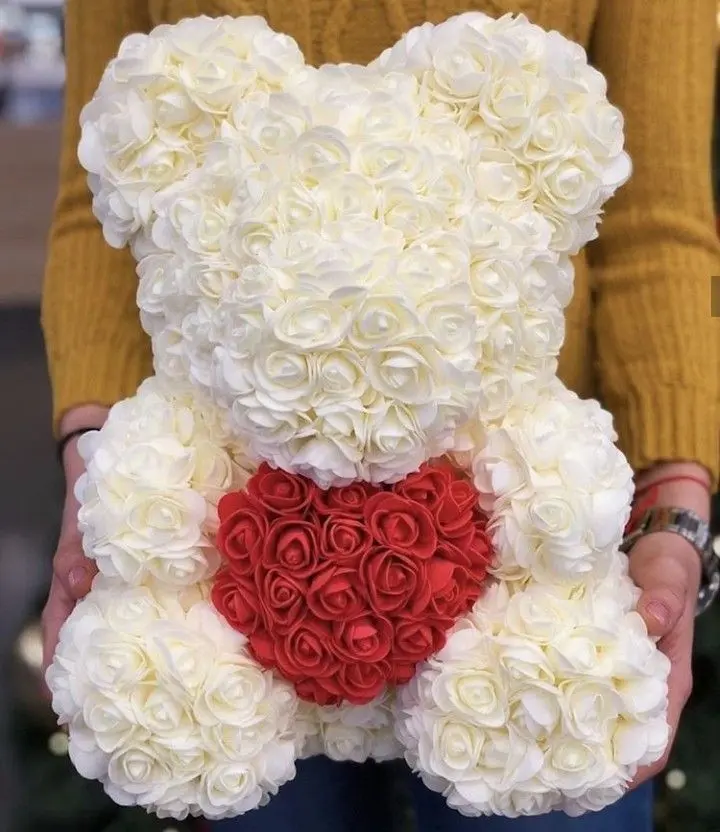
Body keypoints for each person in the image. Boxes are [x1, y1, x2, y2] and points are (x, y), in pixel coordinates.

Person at [41, 1, 720, 830]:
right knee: (216, 746)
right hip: (226, 542)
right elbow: (100, 206)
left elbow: (660, 222)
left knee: (552, 726)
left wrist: (674, 497)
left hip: (510, 552)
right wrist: (102, 477)